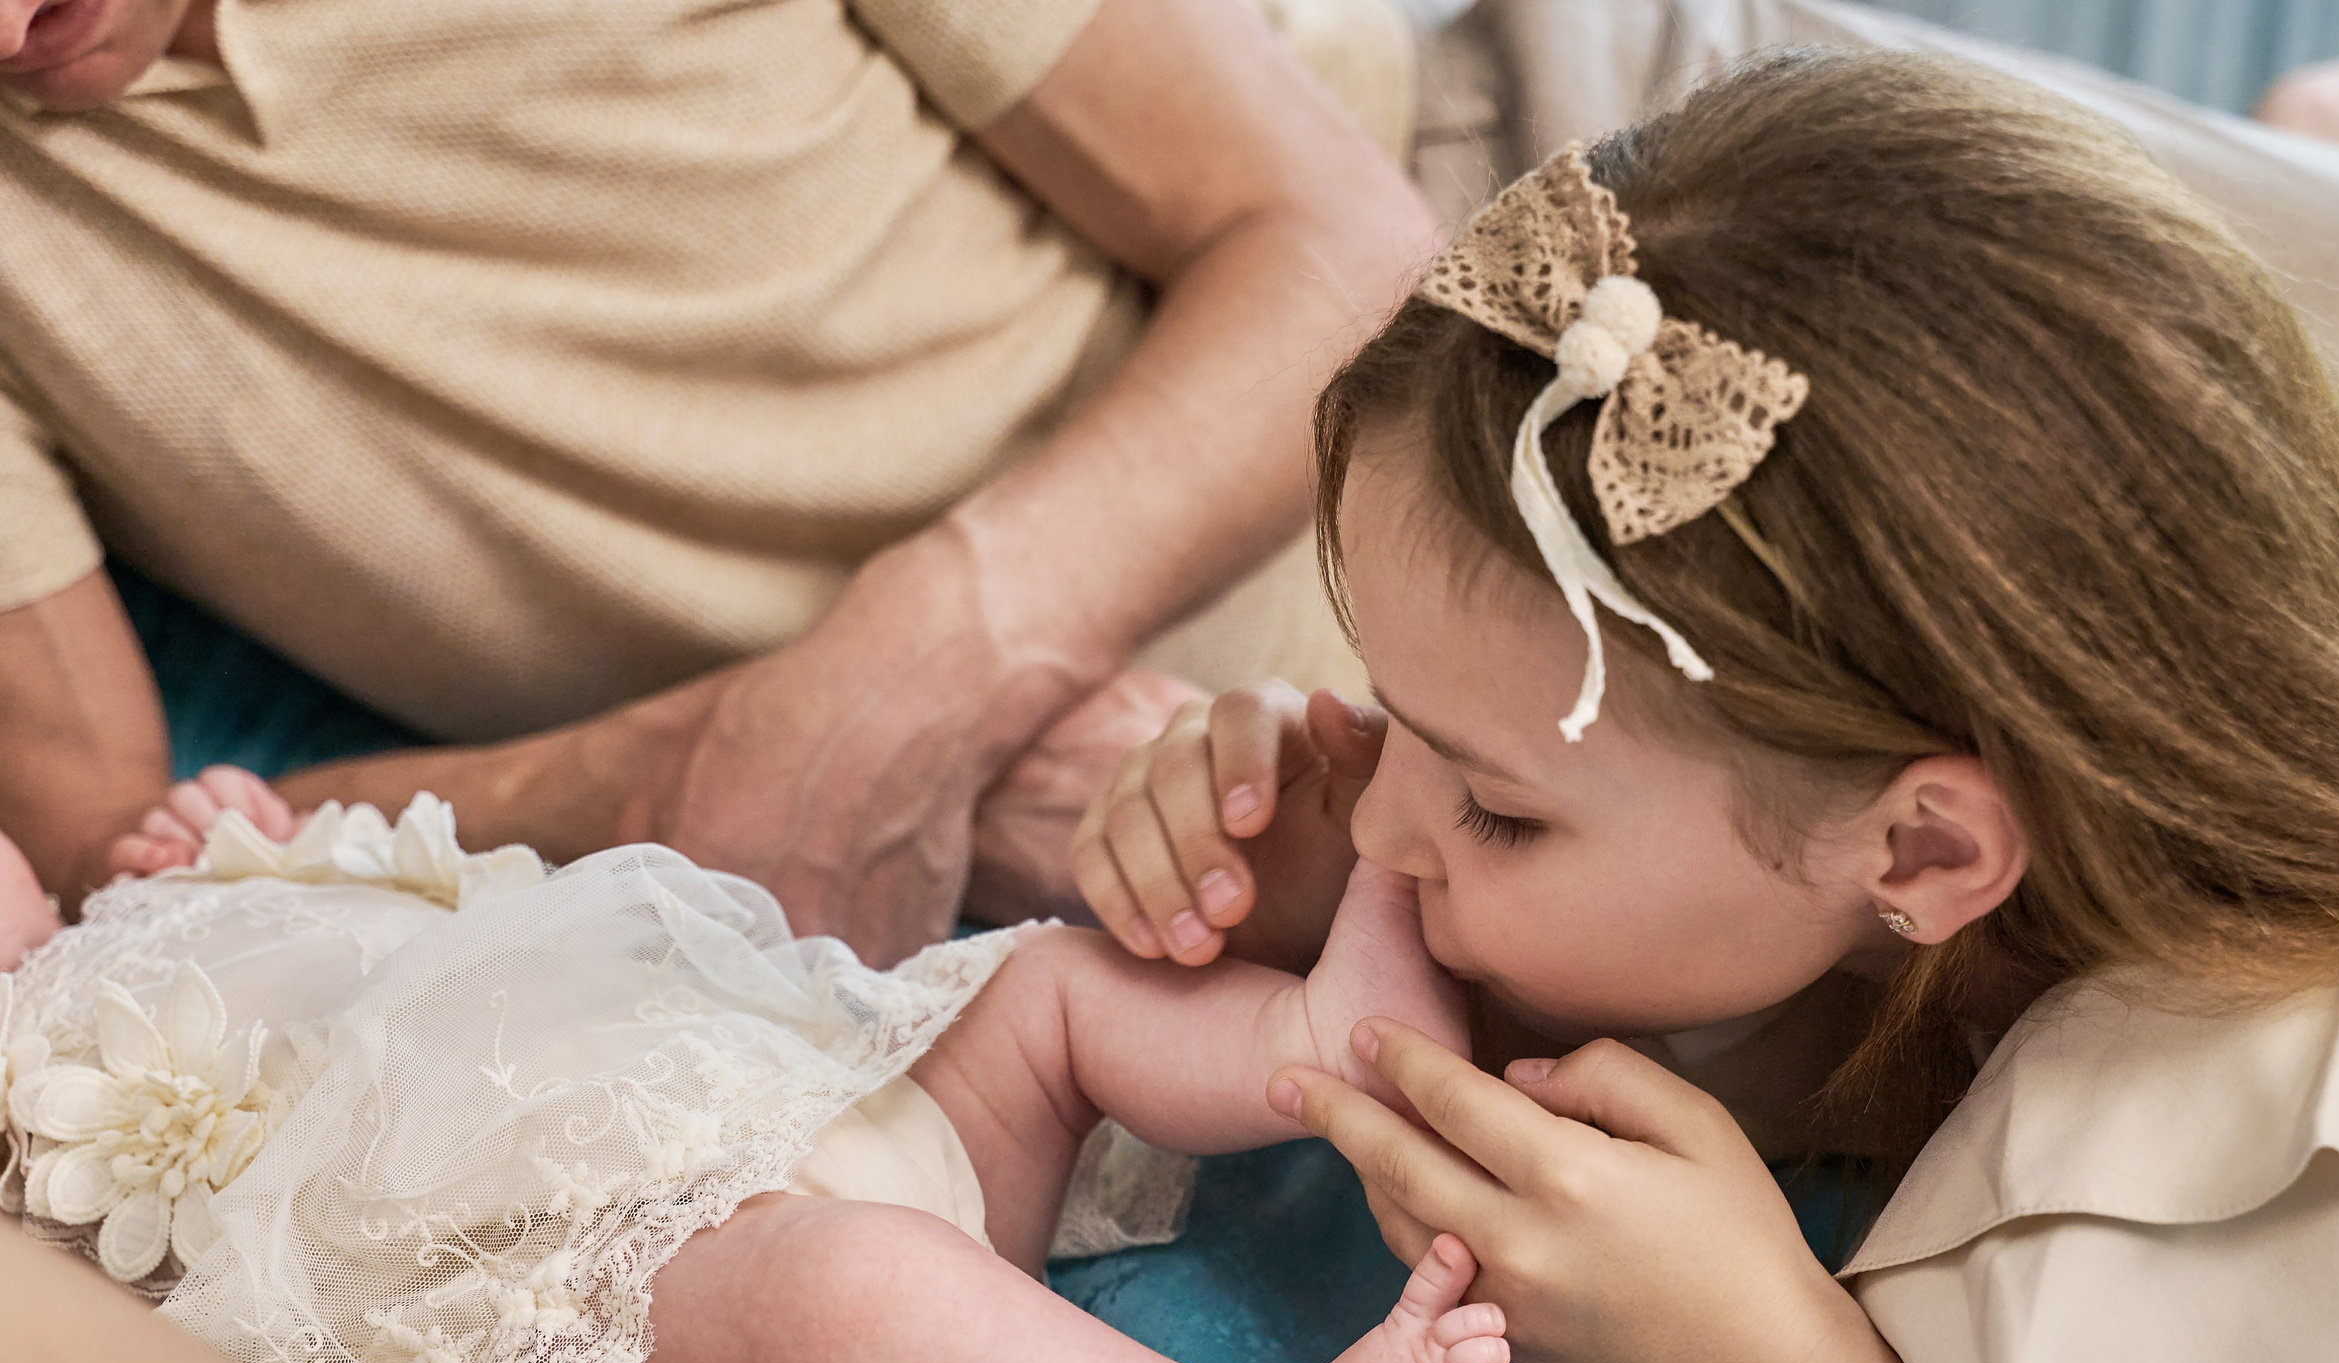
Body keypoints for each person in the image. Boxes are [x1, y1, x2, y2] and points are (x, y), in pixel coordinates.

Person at [1072, 50, 2339, 1363]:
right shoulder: (1976, 853)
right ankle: (2307, 142)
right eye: (1388, 709)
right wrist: (1344, 899)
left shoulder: (2280, 1052)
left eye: (1496, 805)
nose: (1379, 824)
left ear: (1927, 848)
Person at [0, 0, 1434, 965]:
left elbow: (1345, 244)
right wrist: (746, 763)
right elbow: (121, 871)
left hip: (1456, 418)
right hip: (1099, 884)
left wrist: (919, 689)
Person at [0, 763, 1509, 1363]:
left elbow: (389, 914)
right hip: (625, 1348)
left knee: (1037, 989)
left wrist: (247, 843)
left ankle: (1320, 1042)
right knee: (861, 1291)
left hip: (789, 1113)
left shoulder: (128, 912)